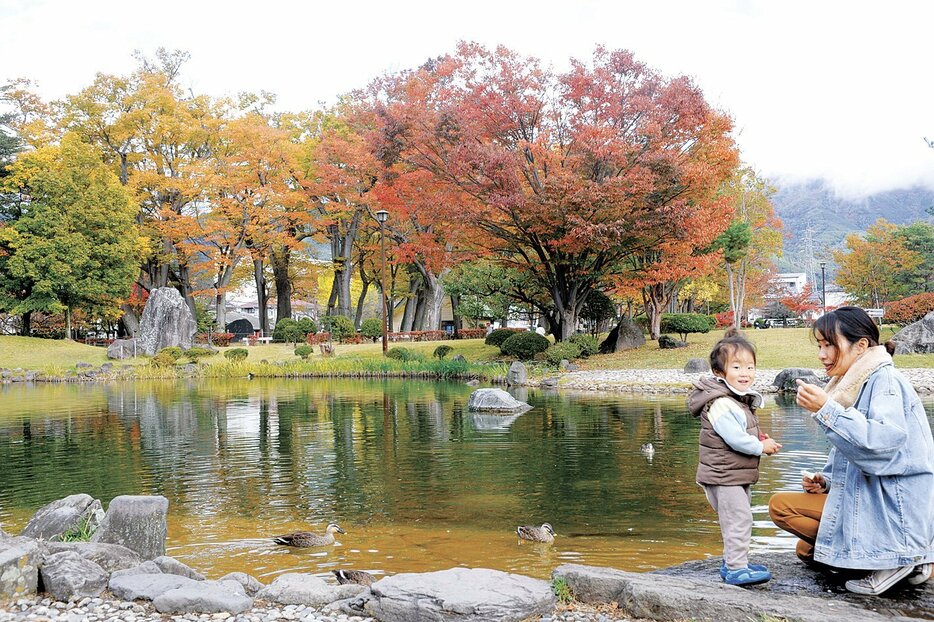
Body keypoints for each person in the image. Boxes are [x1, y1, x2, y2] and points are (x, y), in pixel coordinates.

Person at [769, 306, 934, 595]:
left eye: (829, 344)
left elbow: (883, 444)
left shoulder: (885, 381)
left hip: (892, 501)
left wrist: (826, 410)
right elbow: (854, 455)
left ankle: (899, 558)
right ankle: (909, 559)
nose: (822, 355)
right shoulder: (854, 384)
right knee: (806, 550)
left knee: (780, 506)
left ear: (861, 346)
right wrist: (826, 481)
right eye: (820, 345)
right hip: (871, 492)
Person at [688, 328, 782, 586]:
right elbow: (735, 439)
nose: (745, 373)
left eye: (750, 367)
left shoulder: (736, 400)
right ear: (720, 373)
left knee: (739, 519)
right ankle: (736, 568)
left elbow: (742, 432)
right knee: (738, 519)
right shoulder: (721, 402)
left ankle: (734, 562)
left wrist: (760, 439)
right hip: (722, 475)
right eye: (737, 367)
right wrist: (760, 447)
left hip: (733, 473)